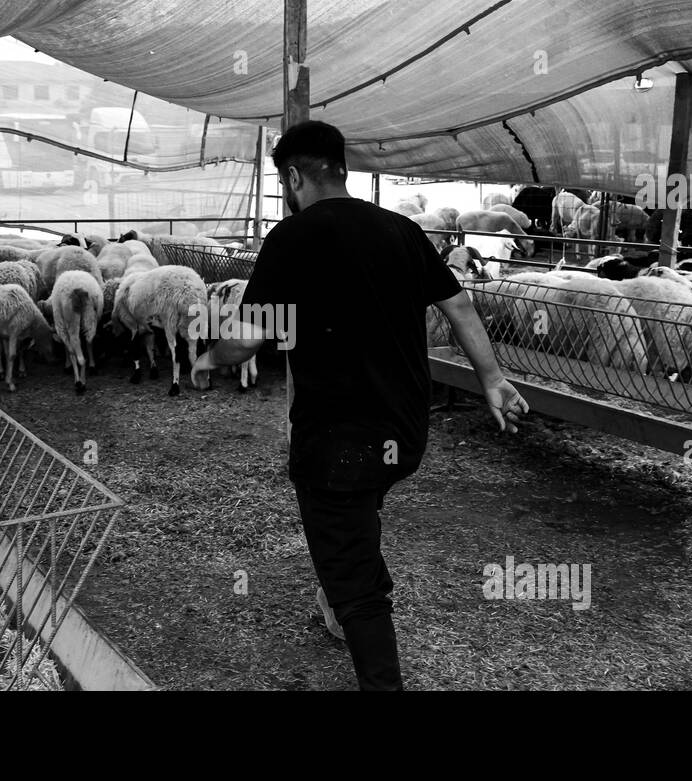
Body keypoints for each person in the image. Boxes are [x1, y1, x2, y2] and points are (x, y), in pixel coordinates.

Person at [190, 120, 528, 690]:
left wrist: (206, 359)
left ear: (293, 176)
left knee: (354, 579)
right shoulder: (402, 230)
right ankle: (346, 596)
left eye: (284, 183)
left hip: (337, 446)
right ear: (341, 169)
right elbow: (461, 307)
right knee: (357, 523)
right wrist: (492, 379)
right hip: (404, 435)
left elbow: (249, 337)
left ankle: (370, 649)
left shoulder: (292, 238)